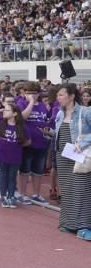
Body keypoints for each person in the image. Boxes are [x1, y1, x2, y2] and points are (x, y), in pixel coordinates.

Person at [53, 84, 91, 240]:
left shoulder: (85, 112)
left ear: (71, 96)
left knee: (81, 190)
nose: (58, 98)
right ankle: (68, 223)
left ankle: (83, 226)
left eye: (61, 95)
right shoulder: (60, 114)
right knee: (67, 190)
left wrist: (82, 144)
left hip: (79, 155)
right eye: (58, 95)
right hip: (62, 156)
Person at [0, 103, 30, 208]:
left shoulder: (22, 127)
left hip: (15, 156)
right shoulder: (0, 124)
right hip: (2, 155)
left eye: (7, 110)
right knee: (3, 175)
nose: (4, 111)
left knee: (12, 176)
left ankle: (11, 196)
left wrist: (18, 145)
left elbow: (28, 141)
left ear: (14, 113)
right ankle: (3, 196)